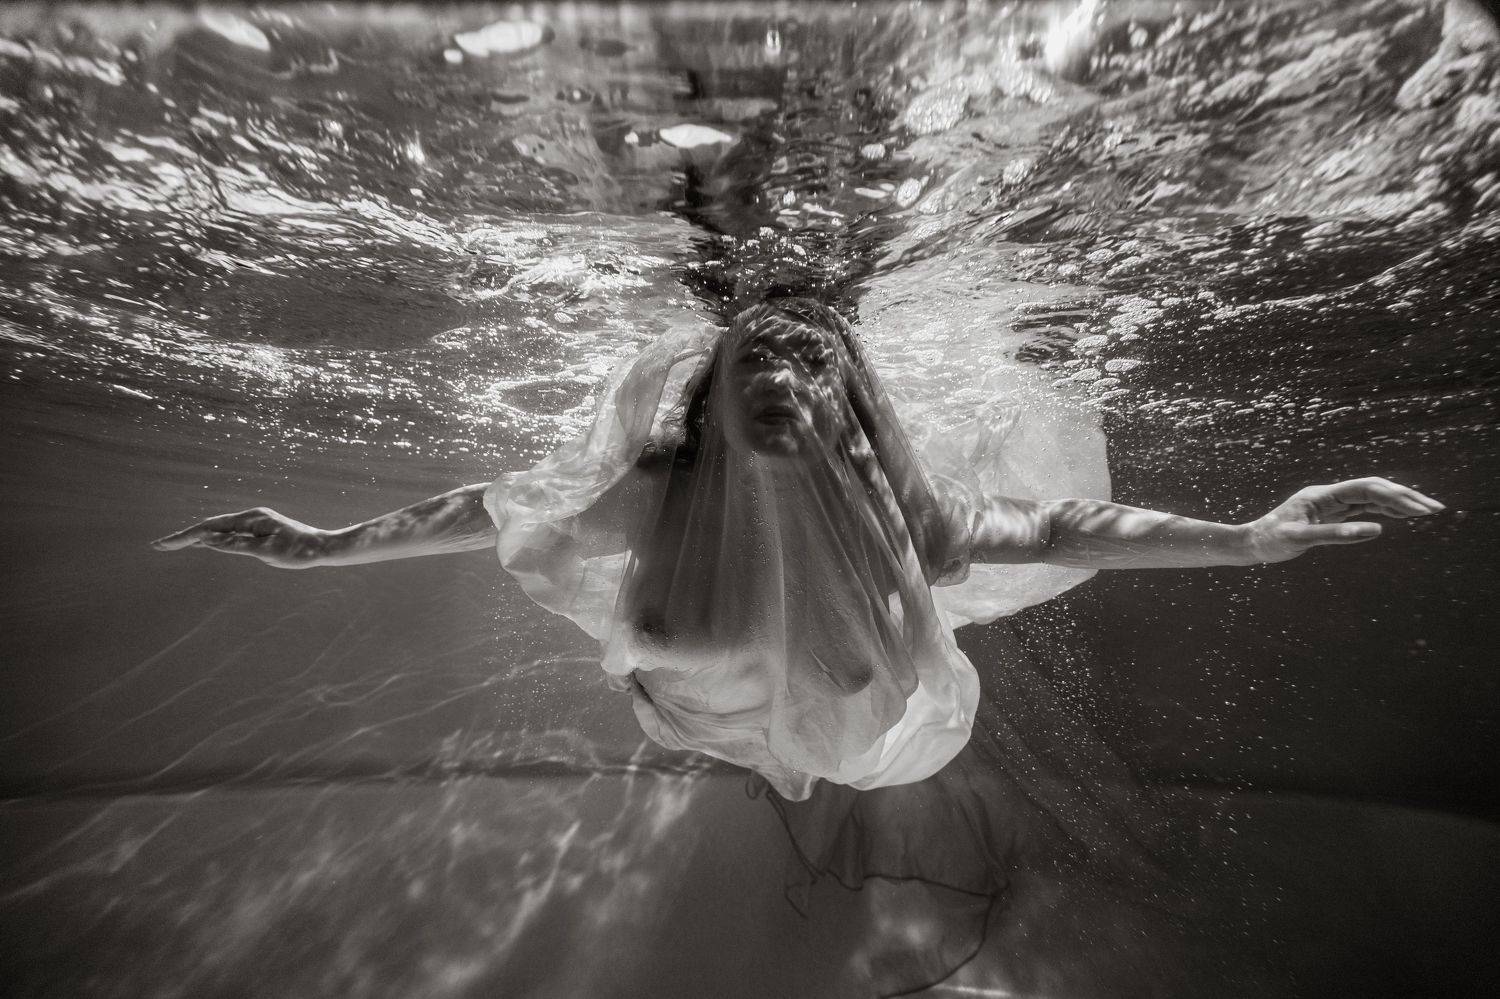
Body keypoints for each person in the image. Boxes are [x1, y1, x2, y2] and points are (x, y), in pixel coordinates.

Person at [152, 298, 1443, 803]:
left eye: (811, 367)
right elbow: (492, 508)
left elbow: (1059, 526)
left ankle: (802, 746)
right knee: (777, 713)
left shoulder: (904, 519)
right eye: (754, 361)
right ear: (710, 391)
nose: (781, 379)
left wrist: (1251, 538)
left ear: (849, 404)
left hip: (848, 730)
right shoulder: (652, 495)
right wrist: (321, 548)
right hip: (715, 717)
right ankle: (785, 744)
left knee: (827, 709)